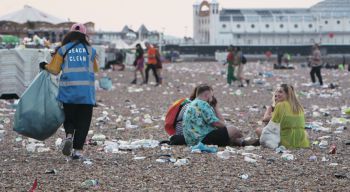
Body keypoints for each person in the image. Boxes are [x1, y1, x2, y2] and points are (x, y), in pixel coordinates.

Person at [39, 23, 99, 159]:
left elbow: (54, 70)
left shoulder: (63, 50)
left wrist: (44, 65)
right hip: (86, 94)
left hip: (68, 91)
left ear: (70, 34)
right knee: (84, 121)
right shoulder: (91, 51)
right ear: (84, 35)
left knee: (69, 117)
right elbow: (96, 69)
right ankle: (77, 152)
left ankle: (69, 135)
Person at [183, 84, 258, 147]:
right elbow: (216, 123)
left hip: (191, 141)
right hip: (201, 140)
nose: (212, 98)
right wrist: (232, 130)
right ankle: (242, 139)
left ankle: (242, 142)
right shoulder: (202, 104)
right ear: (207, 95)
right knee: (233, 129)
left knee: (229, 132)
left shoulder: (191, 104)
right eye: (212, 96)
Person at [256, 84, 310, 148]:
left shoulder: (281, 105)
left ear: (287, 94)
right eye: (277, 92)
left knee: (259, 131)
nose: (278, 94)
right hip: (302, 142)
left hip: (287, 142)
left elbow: (272, 126)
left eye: (280, 92)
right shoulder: (299, 106)